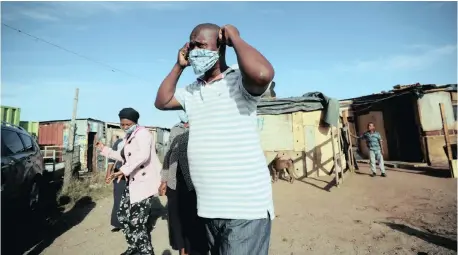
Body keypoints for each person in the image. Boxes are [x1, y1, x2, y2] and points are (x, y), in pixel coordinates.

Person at [155, 23, 275, 255]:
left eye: (201, 45)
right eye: (191, 46)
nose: (194, 50)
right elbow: (162, 101)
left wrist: (236, 38)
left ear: (220, 46)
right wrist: (178, 67)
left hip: (244, 209)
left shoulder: (239, 82)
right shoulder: (192, 90)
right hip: (209, 208)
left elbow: (262, 74)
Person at [96, 108, 162, 255]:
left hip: (144, 183)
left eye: (128, 124)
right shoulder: (128, 137)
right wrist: (104, 149)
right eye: (122, 124)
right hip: (132, 183)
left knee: (137, 221)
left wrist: (124, 170)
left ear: (135, 122)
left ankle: (146, 252)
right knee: (123, 216)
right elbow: (124, 157)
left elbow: (143, 156)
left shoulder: (143, 134)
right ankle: (133, 246)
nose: (125, 127)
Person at [158, 111, 208, 255]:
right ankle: (182, 250)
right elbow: (168, 156)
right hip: (175, 184)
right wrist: (164, 180)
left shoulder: (204, 128)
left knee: (196, 225)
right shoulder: (176, 130)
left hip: (197, 185)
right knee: (177, 222)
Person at [105, 135, 125, 232]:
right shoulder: (119, 142)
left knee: (132, 199)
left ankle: (130, 223)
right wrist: (108, 172)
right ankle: (117, 223)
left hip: (134, 173)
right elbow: (112, 158)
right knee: (118, 197)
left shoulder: (138, 141)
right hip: (118, 172)